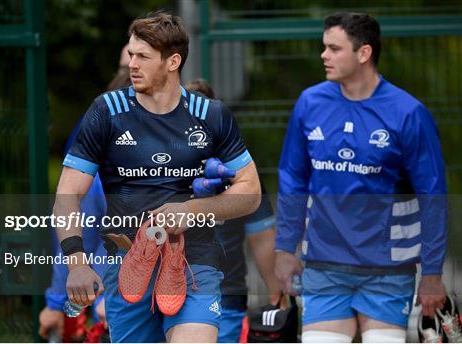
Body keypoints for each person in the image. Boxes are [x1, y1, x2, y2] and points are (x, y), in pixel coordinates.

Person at [53, 11, 261, 343]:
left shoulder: (211, 114)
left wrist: (191, 212)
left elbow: (251, 191)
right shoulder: (106, 112)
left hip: (195, 261)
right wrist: (77, 261)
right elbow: (68, 194)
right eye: (131, 54)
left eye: (143, 57)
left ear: (172, 61)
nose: (132, 64)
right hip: (128, 264)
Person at [274, 12, 448, 343]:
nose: (323, 55)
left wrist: (433, 273)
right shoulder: (309, 103)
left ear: (364, 53)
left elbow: (434, 197)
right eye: (324, 47)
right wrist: (284, 248)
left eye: (334, 48)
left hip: (387, 271)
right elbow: (293, 179)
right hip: (324, 267)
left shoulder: (409, 113)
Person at [39, 44, 131, 342]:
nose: (133, 68)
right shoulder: (99, 121)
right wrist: (57, 300)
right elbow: (81, 224)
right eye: (128, 62)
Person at [185, 79, 282, 343]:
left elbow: (262, 238)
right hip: (188, 295)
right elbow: (262, 238)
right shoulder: (241, 175)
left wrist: (277, 292)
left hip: (221, 295)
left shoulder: (241, 176)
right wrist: (277, 293)